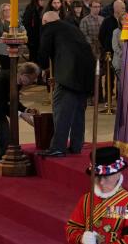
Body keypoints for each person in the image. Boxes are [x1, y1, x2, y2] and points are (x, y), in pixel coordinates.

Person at [36, 10, 95, 157]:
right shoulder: (72, 28)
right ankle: (76, 145)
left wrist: (43, 68)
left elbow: (44, 51)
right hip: (87, 75)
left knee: (61, 110)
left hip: (69, 75)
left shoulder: (49, 28)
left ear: (45, 22)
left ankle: (58, 147)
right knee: (78, 112)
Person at [22, 0, 44, 64]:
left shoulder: (40, 10)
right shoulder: (30, 9)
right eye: (41, 0)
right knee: (33, 56)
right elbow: (27, 23)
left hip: (39, 37)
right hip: (32, 38)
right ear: (36, 0)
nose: (43, 1)